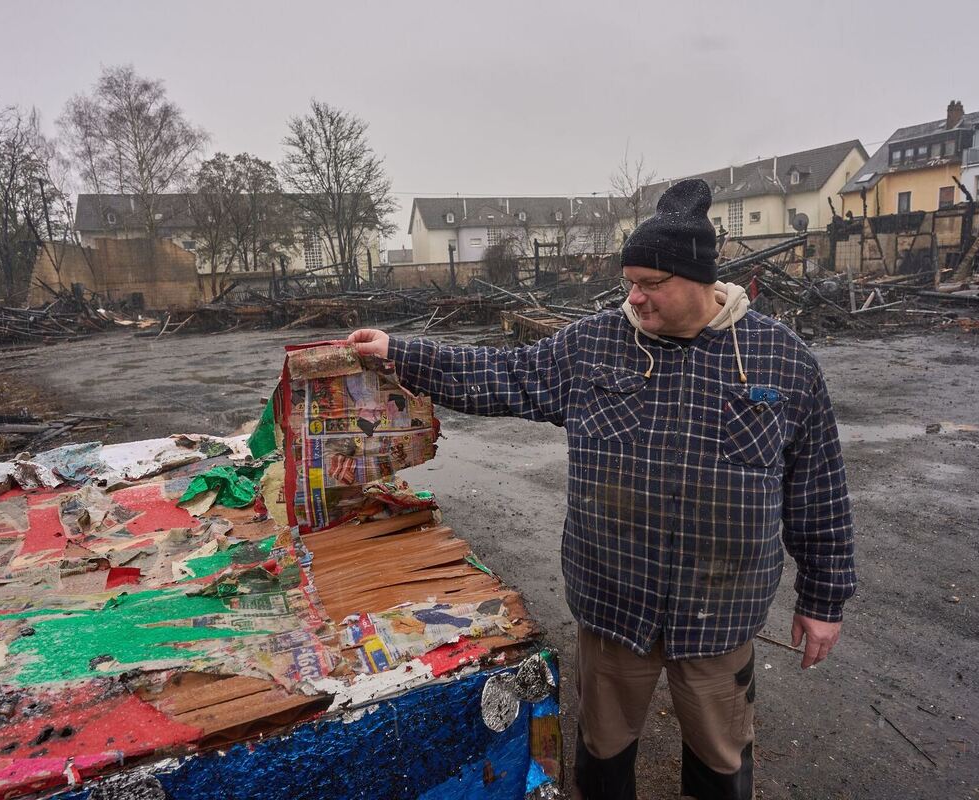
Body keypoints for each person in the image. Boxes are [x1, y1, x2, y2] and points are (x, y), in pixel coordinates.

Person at [349, 179, 856, 800]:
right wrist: (401, 353)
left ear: (696, 279)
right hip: (616, 604)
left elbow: (819, 487)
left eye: (649, 283)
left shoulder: (781, 359)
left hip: (721, 610)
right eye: (629, 283)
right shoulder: (595, 344)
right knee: (603, 753)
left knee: (722, 762)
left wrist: (824, 601)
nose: (634, 297)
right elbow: (503, 374)